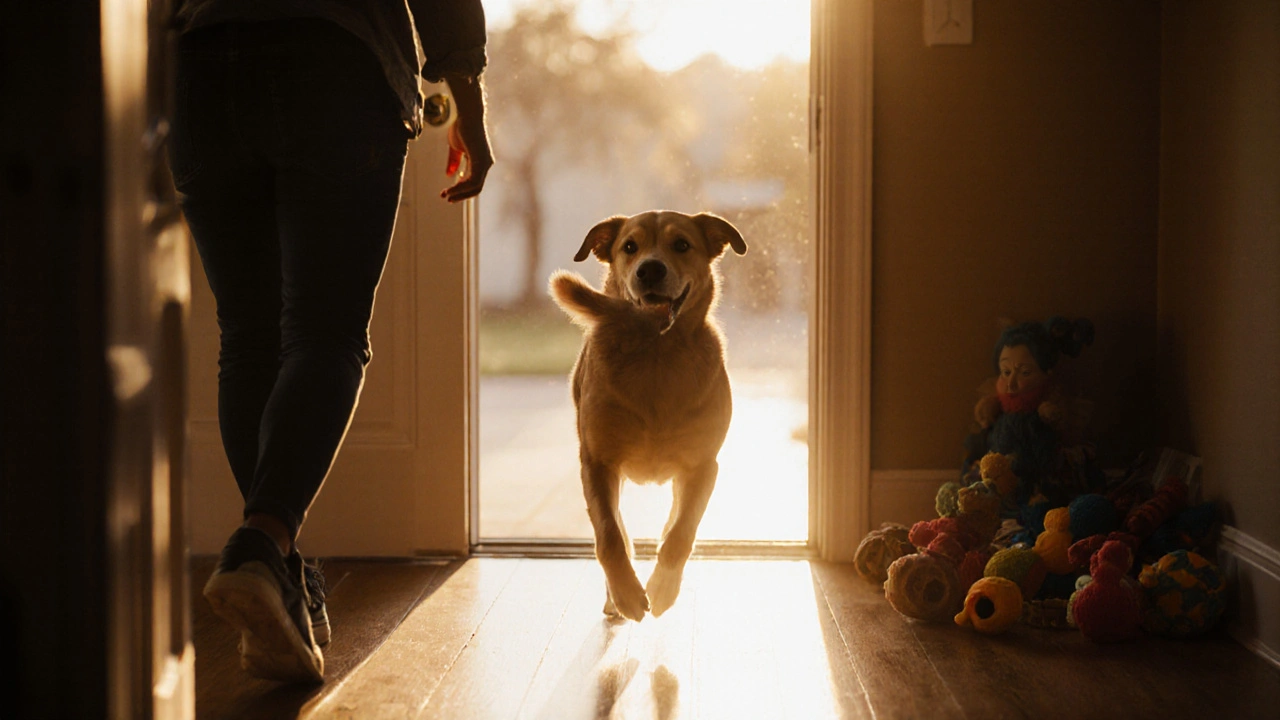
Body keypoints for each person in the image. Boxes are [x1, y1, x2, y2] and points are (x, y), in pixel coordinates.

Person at [168, 0, 493, 683]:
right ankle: (263, 545)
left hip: (202, 66)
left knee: (248, 338)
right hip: (333, 58)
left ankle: (279, 573)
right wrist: (468, 100)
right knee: (328, 331)